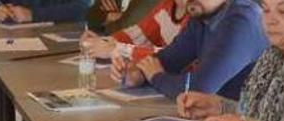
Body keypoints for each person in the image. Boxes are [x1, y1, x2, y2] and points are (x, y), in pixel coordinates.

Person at [178, 0, 284, 121]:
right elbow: (258, 114)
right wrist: (219, 106)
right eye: (266, 10)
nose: (271, 20)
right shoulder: (272, 57)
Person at [0, 0, 94, 121]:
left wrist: (34, 14)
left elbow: (82, 6)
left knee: (32, 76)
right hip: (20, 46)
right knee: (21, 74)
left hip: (62, 48)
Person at [111, 0, 268, 101]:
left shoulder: (242, 20)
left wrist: (156, 77)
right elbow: (168, 60)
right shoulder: (202, 16)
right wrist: (137, 74)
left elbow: (200, 89)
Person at [82, 0, 188, 61]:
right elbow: (137, 34)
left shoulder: (197, 16)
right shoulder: (167, 4)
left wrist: (116, 49)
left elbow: (175, 56)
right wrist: (101, 43)